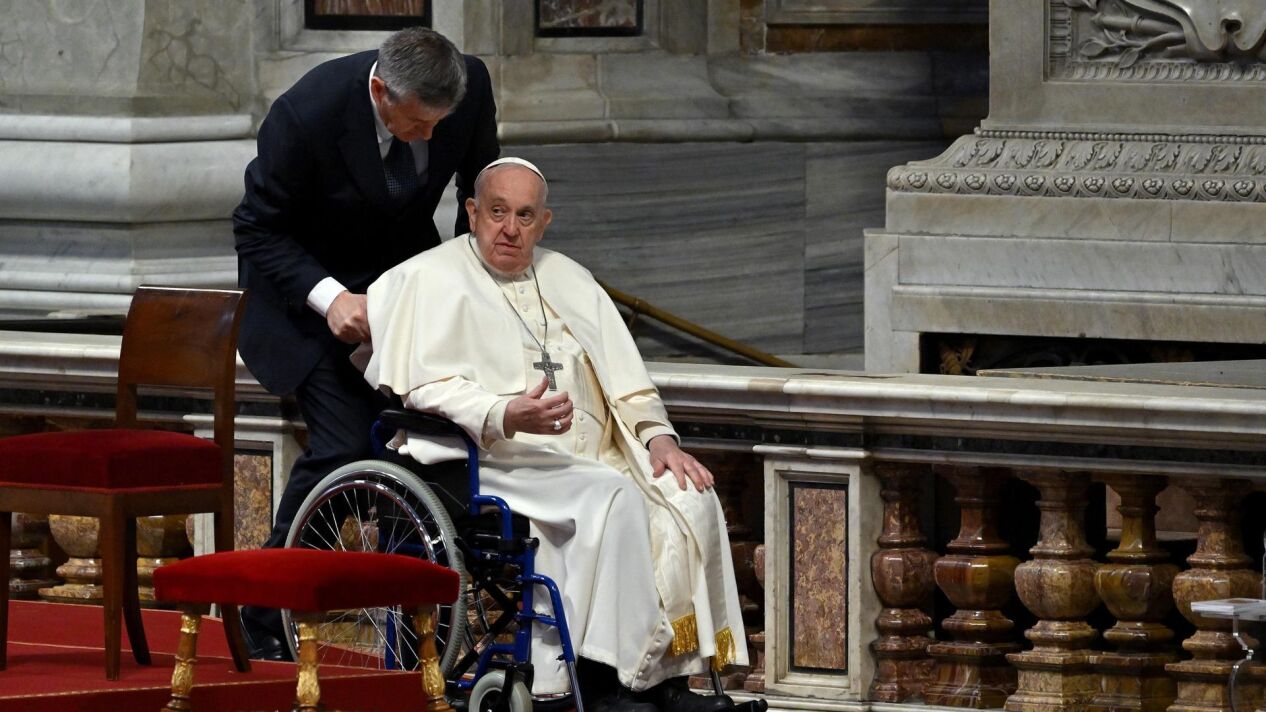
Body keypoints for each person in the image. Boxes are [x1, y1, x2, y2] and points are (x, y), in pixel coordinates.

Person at [363, 158, 747, 712]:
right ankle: (605, 682)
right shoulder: (429, 278)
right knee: (611, 499)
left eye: (524, 216)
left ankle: (670, 680)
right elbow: (426, 388)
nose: (509, 229)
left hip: (593, 454)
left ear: (544, 222)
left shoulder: (570, 278)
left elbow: (628, 380)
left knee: (688, 495)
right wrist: (505, 413)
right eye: (497, 212)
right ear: (471, 212)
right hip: (496, 457)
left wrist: (658, 438)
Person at [231, 26, 499, 659]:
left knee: (427, 448)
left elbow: (480, 189)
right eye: (418, 123)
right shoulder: (306, 113)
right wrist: (332, 299)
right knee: (347, 446)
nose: (430, 136)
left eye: (440, 123)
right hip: (306, 299)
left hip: (404, 295)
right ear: (381, 92)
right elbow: (256, 229)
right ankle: (264, 613)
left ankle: (415, 637)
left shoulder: (467, 87)